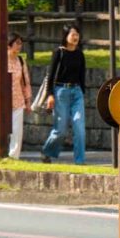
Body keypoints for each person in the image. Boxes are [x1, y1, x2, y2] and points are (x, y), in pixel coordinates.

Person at [40, 24, 87, 165]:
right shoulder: (58, 53)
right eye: (72, 34)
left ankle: (80, 161)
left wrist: (81, 92)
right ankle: (47, 151)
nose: (75, 37)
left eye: (77, 34)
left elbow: (82, 75)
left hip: (77, 92)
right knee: (60, 129)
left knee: (79, 128)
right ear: (65, 36)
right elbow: (51, 75)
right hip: (61, 92)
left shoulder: (80, 54)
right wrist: (50, 95)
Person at [0, 33, 32, 159]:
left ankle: (13, 157)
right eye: (17, 43)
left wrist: (28, 101)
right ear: (9, 45)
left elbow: (25, 82)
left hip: (17, 100)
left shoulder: (21, 61)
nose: (20, 46)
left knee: (17, 131)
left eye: (21, 43)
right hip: (1, 101)